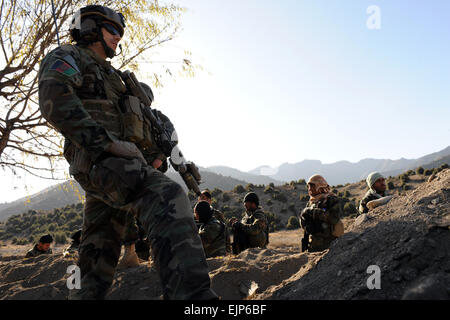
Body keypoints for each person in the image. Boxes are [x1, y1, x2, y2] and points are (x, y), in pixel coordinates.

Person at [38, 5, 217, 300]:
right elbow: (53, 99)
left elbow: (151, 124)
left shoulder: (117, 79)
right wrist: (105, 143)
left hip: (112, 169)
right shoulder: (69, 56)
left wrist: (162, 155)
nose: (119, 37)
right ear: (90, 29)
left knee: (96, 250)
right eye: (113, 30)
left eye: (121, 32)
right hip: (103, 162)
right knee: (166, 196)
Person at [299, 175, 344, 252]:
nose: (310, 189)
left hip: (329, 244)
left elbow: (333, 218)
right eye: (308, 187)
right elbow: (305, 223)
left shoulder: (331, 200)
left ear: (319, 187)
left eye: (312, 186)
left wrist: (312, 212)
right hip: (313, 244)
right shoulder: (311, 202)